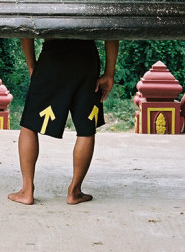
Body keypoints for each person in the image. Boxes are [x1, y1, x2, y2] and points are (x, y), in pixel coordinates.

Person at [8, 38, 119, 205]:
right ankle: (74, 191)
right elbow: (112, 31)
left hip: (52, 57)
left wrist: (32, 65)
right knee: (86, 128)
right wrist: (109, 73)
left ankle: (27, 191)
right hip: (86, 59)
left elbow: (26, 29)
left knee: (29, 124)